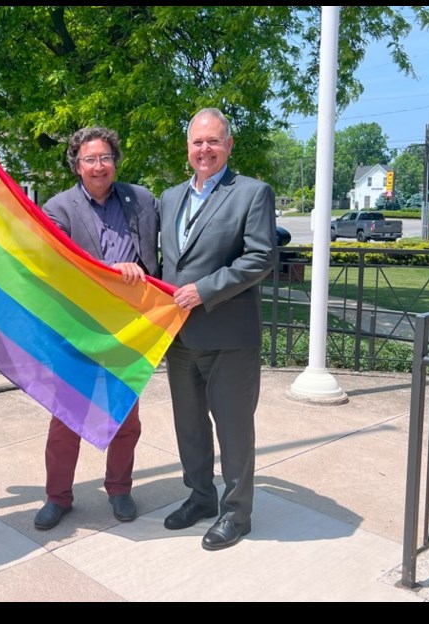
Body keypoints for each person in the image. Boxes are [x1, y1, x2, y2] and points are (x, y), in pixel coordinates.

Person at [158, 107, 276, 551]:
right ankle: (201, 496)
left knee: (233, 428)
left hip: (229, 337)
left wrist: (205, 290)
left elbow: (260, 257)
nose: (203, 149)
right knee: (188, 426)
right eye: (196, 142)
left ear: (228, 145)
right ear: (187, 148)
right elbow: (167, 262)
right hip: (180, 337)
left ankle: (236, 513)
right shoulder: (170, 198)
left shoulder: (251, 193)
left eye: (212, 141)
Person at [33, 126, 161, 530]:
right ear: (76, 165)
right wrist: (112, 273)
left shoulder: (140, 200)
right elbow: (61, 268)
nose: (99, 166)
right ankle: (58, 497)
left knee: (125, 416)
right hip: (79, 332)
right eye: (90, 159)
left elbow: (161, 253)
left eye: (105, 157)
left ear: (115, 160)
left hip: (129, 329)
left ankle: (119, 489)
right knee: (66, 419)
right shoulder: (58, 208)